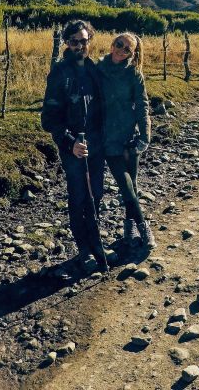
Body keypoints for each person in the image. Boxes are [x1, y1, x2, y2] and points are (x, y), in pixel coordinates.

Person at [41, 20, 109, 272]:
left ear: (90, 39)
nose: (80, 46)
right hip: (73, 148)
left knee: (97, 194)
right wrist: (70, 143)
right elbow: (48, 119)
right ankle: (83, 249)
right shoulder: (59, 73)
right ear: (66, 44)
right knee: (78, 197)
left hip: (97, 144)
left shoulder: (94, 68)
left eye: (84, 40)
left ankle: (96, 244)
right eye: (74, 42)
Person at [97, 32, 156, 249]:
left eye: (127, 49)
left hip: (130, 137)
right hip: (108, 139)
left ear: (133, 53)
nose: (121, 50)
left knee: (132, 184)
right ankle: (143, 226)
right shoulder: (98, 69)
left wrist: (144, 136)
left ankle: (129, 225)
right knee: (125, 185)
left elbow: (142, 105)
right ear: (112, 43)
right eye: (119, 44)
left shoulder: (134, 74)